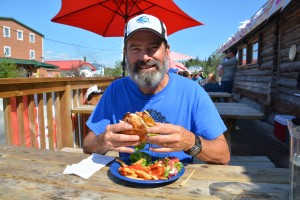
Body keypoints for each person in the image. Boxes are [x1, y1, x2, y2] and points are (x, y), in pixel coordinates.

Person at [83, 14, 230, 164]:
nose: (145, 57)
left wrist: (191, 142)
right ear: (125, 54)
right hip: (128, 178)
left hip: (177, 181)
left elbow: (223, 155)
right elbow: (88, 144)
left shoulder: (193, 92)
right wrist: (102, 142)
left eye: (153, 48)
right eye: (135, 49)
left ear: (167, 51)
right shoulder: (115, 90)